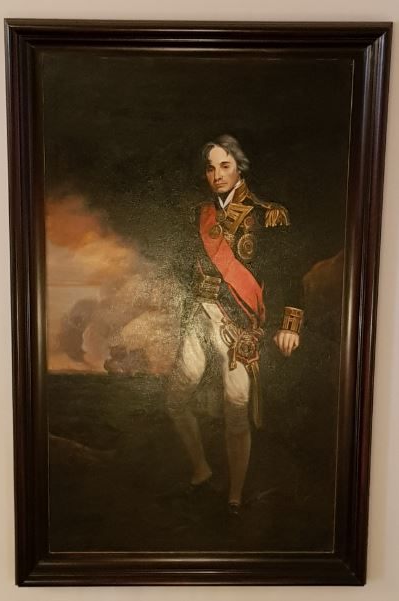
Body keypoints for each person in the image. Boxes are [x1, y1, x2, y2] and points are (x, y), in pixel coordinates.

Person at [166, 134, 303, 514]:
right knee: (175, 400)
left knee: (236, 411)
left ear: (239, 168)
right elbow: (179, 266)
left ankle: (235, 495)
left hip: (240, 324)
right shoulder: (197, 215)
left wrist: (290, 325)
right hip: (198, 317)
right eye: (210, 168)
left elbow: (289, 273)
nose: (217, 175)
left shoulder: (268, 215)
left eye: (224, 166)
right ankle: (200, 470)